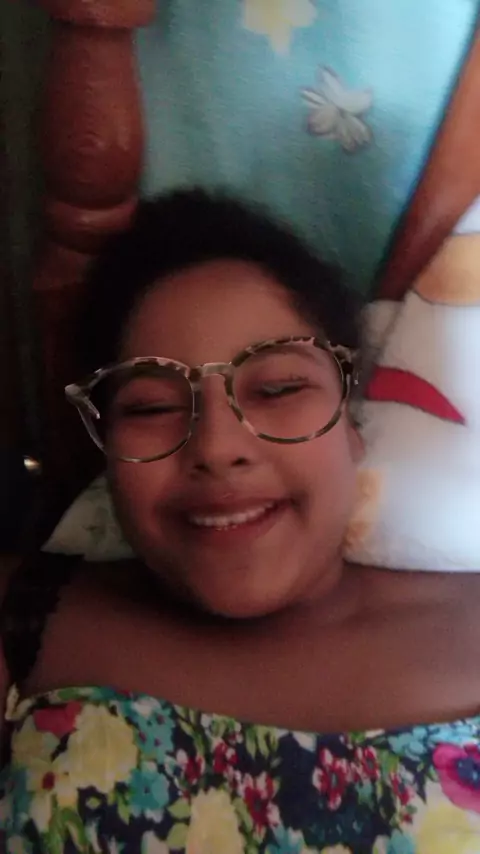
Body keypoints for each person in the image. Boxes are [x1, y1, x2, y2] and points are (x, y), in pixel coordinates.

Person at [1, 189, 480, 854]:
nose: (218, 446)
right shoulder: (21, 618)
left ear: (351, 425)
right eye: (151, 406)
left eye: (278, 389)